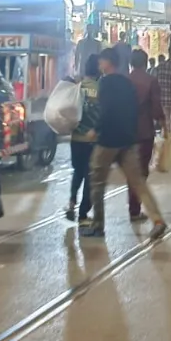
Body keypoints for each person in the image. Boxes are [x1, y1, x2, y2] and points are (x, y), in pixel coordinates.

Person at [82, 48, 167, 240]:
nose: (99, 65)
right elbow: (133, 109)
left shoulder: (105, 83)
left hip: (108, 140)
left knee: (97, 181)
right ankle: (157, 220)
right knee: (138, 182)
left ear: (108, 62)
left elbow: (107, 110)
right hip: (128, 139)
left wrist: (95, 129)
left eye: (101, 61)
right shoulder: (126, 83)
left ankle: (98, 224)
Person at [127, 49, 165, 222]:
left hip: (126, 133)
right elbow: (156, 108)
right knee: (141, 171)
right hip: (144, 132)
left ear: (131, 63)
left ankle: (134, 208)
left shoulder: (125, 81)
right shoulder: (151, 81)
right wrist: (164, 124)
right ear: (145, 62)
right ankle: (136, 208)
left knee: (131, 171)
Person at [66, 55, 101, 225]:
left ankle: (71, 202)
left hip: (75, 139)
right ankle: (83, 214)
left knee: (77, 172)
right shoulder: (100, 88)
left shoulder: (77, 88)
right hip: (92, 140)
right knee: (90, 177)